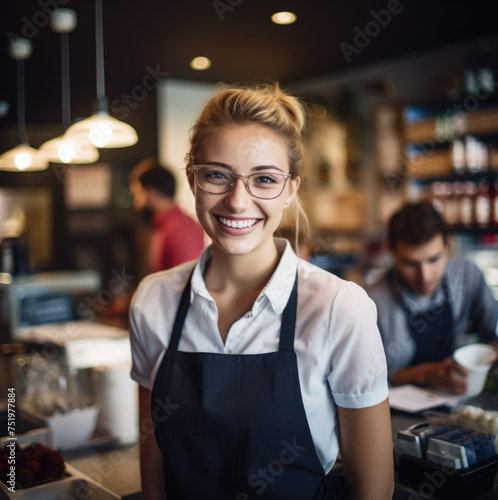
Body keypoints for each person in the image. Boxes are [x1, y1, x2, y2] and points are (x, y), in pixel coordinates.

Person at [129, 82, 394, 500]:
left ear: (290, 190)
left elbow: (374, 490)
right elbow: (154, 451)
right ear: (192, 180)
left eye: (264, 179)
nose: (237, 201)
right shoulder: (152, 300)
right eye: (217, 175)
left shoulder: (339, 307)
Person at [367, 200, 498, 394]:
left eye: (434, 259)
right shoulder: (372, 301)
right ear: (391, 250)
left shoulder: (466, 275)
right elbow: (375, 377)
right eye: (411, 263)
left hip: (459, 401)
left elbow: (494, 334)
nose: (425, 276)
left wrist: (492, 354)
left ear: (448, 245)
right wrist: (428, 374)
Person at [129, 158, 205, 273]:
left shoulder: (182, 229)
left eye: (137, 194)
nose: (136, 202)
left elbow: (186, 282)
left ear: (151, 193)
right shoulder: (163, 226)